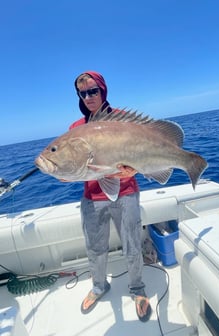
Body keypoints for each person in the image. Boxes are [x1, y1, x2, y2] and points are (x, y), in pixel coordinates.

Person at [70, 70, 152, 322]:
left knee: (132, 245)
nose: (88, 96)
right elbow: (76, 166)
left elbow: (144, 152)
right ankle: (98, 286)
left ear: (102, 90)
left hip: (126, 193)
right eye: (83, 93)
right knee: (95, 248)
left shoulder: (123, 120)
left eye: (93, 90)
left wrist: (136, 168)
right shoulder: (75, 128)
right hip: (92, 198)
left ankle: (138, 289)